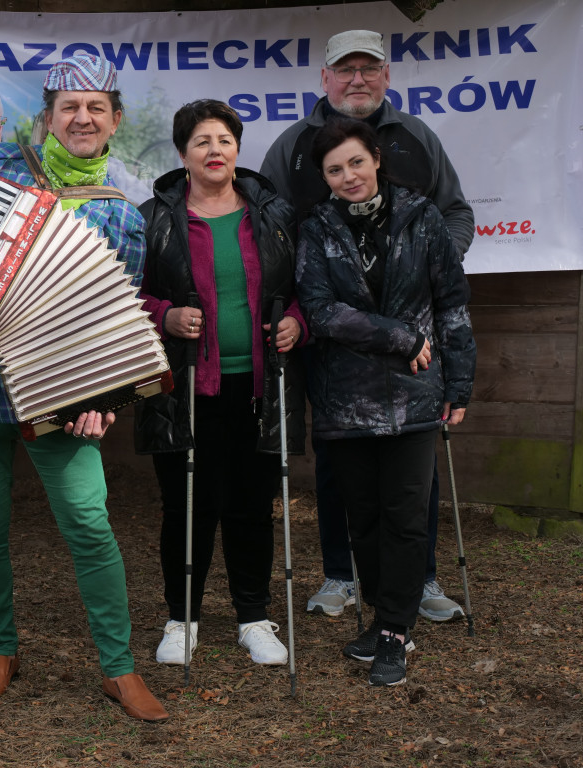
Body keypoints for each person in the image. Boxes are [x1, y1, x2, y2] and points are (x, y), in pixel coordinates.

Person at [0, 52, 168, 723]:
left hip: (63, 394)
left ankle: (119, 668)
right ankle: (1, 649)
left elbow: (118, 319)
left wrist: (104, 400)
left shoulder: (124, 213)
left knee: (89, 524)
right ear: (49, 117)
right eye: (69, 107)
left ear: (113, 121)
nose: (81, 118)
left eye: (95, 108)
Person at [260, 29, 474, 622]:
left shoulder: (416, 137)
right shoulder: (294, 146)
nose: (358, 78)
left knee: (415, 470)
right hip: (332, 341)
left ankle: (421, 579)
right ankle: (339, 575)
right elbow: (270, 227)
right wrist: (303, 291)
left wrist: (433, 264)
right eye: (345, 69)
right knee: (338, 462)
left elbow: (454, 212)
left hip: (414, 347)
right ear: (324, 79)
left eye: (369, 68)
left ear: (386, 75)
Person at [296, 116, 476, 685]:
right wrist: (403, 337)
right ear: (323, 178)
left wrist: (460, 382)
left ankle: (396, 630)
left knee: (405, 517)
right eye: (334, 169)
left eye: (355, 162)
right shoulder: (317, 228)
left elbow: (451, 302)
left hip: (417, 399)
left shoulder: (423, 218)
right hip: (345, 401)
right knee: (364, 520)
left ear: (375, 158)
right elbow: (320, 311)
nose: (348, 176)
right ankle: (380, 614)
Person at [136, 99, 306, 668]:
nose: (215, 151)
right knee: (188, 505)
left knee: (251, 505)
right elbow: (124, 294)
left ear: (238, 149)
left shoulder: (274, 213)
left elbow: (307, 286)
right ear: (183, 154)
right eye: (202, 141)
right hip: (183, 387)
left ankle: (253, 618)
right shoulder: (155, 217)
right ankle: (181, 620)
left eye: (225, 140)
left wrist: (296, 322)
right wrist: (164, 315)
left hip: (259, 386)